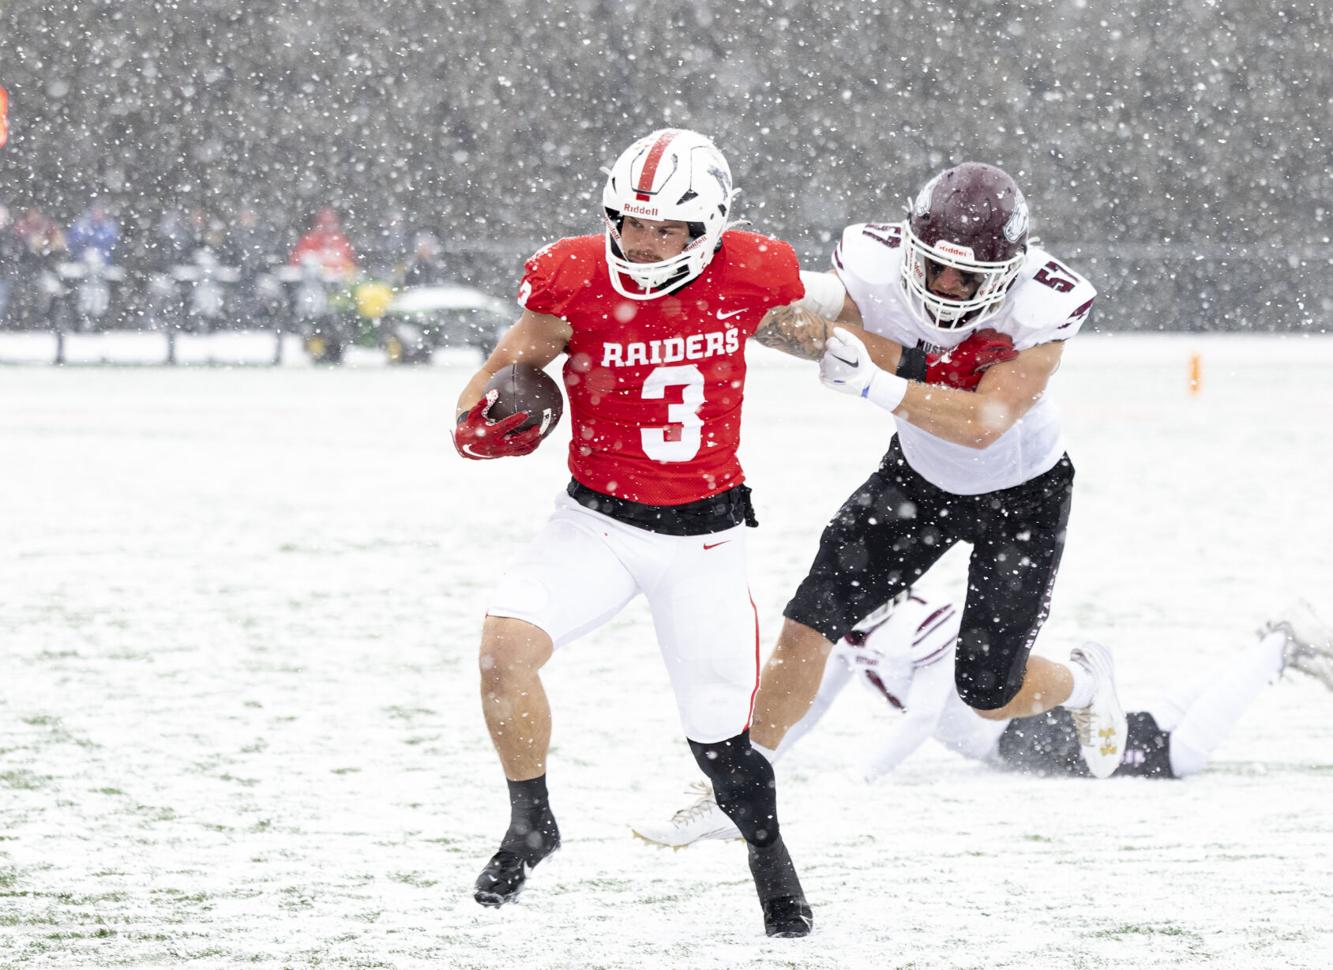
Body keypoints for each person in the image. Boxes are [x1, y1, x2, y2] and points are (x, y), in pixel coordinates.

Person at [450, 129, 1005, 936]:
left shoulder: (750, 271)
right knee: (503, 654)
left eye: (665, 228)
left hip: (702, 543)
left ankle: (771, 865)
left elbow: (837, 322)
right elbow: (510, 358)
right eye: (629, 222)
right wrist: (474, 417)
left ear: (705, 228)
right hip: (593, 522)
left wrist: (939, 358)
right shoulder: (571, 275)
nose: (642, 242)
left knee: (719, 742)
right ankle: (531, 822)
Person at [747, 162, 1128, 783]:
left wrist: (874, 382)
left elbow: (985, 421)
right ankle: (739, 783)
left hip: (1022, 496)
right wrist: (773, 302)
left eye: (968, 273)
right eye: (935, 266)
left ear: (1007, 271)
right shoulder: (874, 260)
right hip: (918, 481)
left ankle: (1085, 683)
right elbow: (803, 322)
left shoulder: (1044, 302)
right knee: (809, 620)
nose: (948, 284)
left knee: (988, 690)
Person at [633, 595, 1333, 847]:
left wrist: (866, 777)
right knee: (1160, 723)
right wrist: (767, 758)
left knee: (1177, 755)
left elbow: (925, 716)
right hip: (1006, 742)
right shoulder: (857, 633)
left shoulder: (924, 628)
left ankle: (1275, 647)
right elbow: (813, 703)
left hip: (1015, 730)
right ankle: (1273, 641)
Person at [289, 207, 357, 278]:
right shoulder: (309, 240)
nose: (328, 227)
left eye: (331, 223)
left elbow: (351, 265)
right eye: (325, 223)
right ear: (318, 224)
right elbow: (297, 262)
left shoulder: (340, 241)